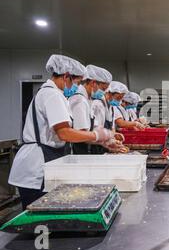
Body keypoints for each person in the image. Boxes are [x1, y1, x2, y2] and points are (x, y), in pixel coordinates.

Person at [8, 55, 121, 210]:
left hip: (44, 162)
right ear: (67, 76)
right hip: (37, 167)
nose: (79, 86)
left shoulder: (50, 93)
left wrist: (104, 141)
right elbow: (64, 133)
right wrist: (98, 135)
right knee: (40, 221)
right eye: (78, 82)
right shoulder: (52, 95)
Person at [69, 64, 114, 154]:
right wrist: (102, 138)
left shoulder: (89, 100)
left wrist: (105, 143)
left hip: (85, 150)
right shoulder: (79, 100)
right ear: (93, 83)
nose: (104, 93)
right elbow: (81, 135)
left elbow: (90, 130)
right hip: (78, 152)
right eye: (103, 89)